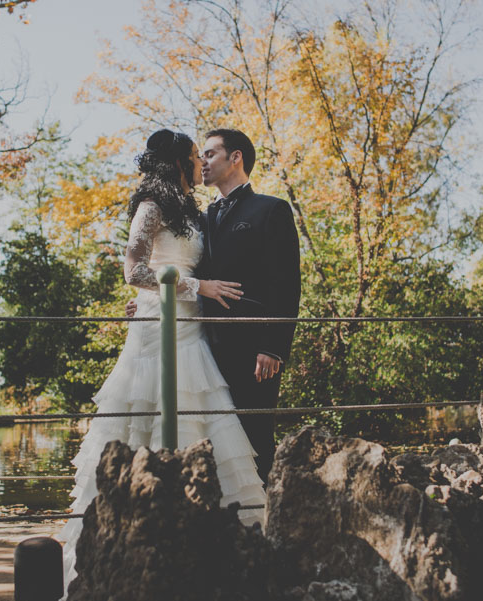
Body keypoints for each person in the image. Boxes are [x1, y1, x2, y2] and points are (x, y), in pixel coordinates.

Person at [57, 129, 267, 591]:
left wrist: (200, 288)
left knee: (203, 411)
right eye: (195, 156)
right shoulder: (150, 207)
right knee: (149, 412)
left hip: (194, 326)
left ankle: (213, 539)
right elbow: (133, 269)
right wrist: (194, 287)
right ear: (178, 163)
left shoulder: (193, 212)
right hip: (159, 326)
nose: (200, 163)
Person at [129, 128, 301, 484]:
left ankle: (263, 524)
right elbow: (178, 267)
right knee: (214, 441)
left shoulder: (271, 210)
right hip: (202, 345)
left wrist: (273, 347)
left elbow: (286, 284)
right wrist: (149, 300)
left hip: (254, 350)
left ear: (235, 158)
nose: (201, 162)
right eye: (199, 156)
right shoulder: (200, 218)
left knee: (255, 441)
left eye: (209, 154)